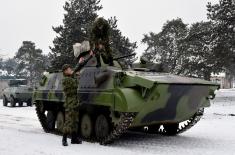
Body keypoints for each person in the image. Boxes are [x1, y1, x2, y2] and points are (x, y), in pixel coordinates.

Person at [62, 51, 94, 146]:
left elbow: (77, 69)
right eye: (68, 69)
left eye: (70, 68)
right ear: (65, 71)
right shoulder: (66, 80)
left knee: (75, 121)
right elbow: (75, 83)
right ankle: (64, 139)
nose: (70, 69)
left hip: (75, 102)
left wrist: (87, 58)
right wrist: (77, 76)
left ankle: (74, 138)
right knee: (69, 122)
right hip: (70, 103)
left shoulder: (70, 76)